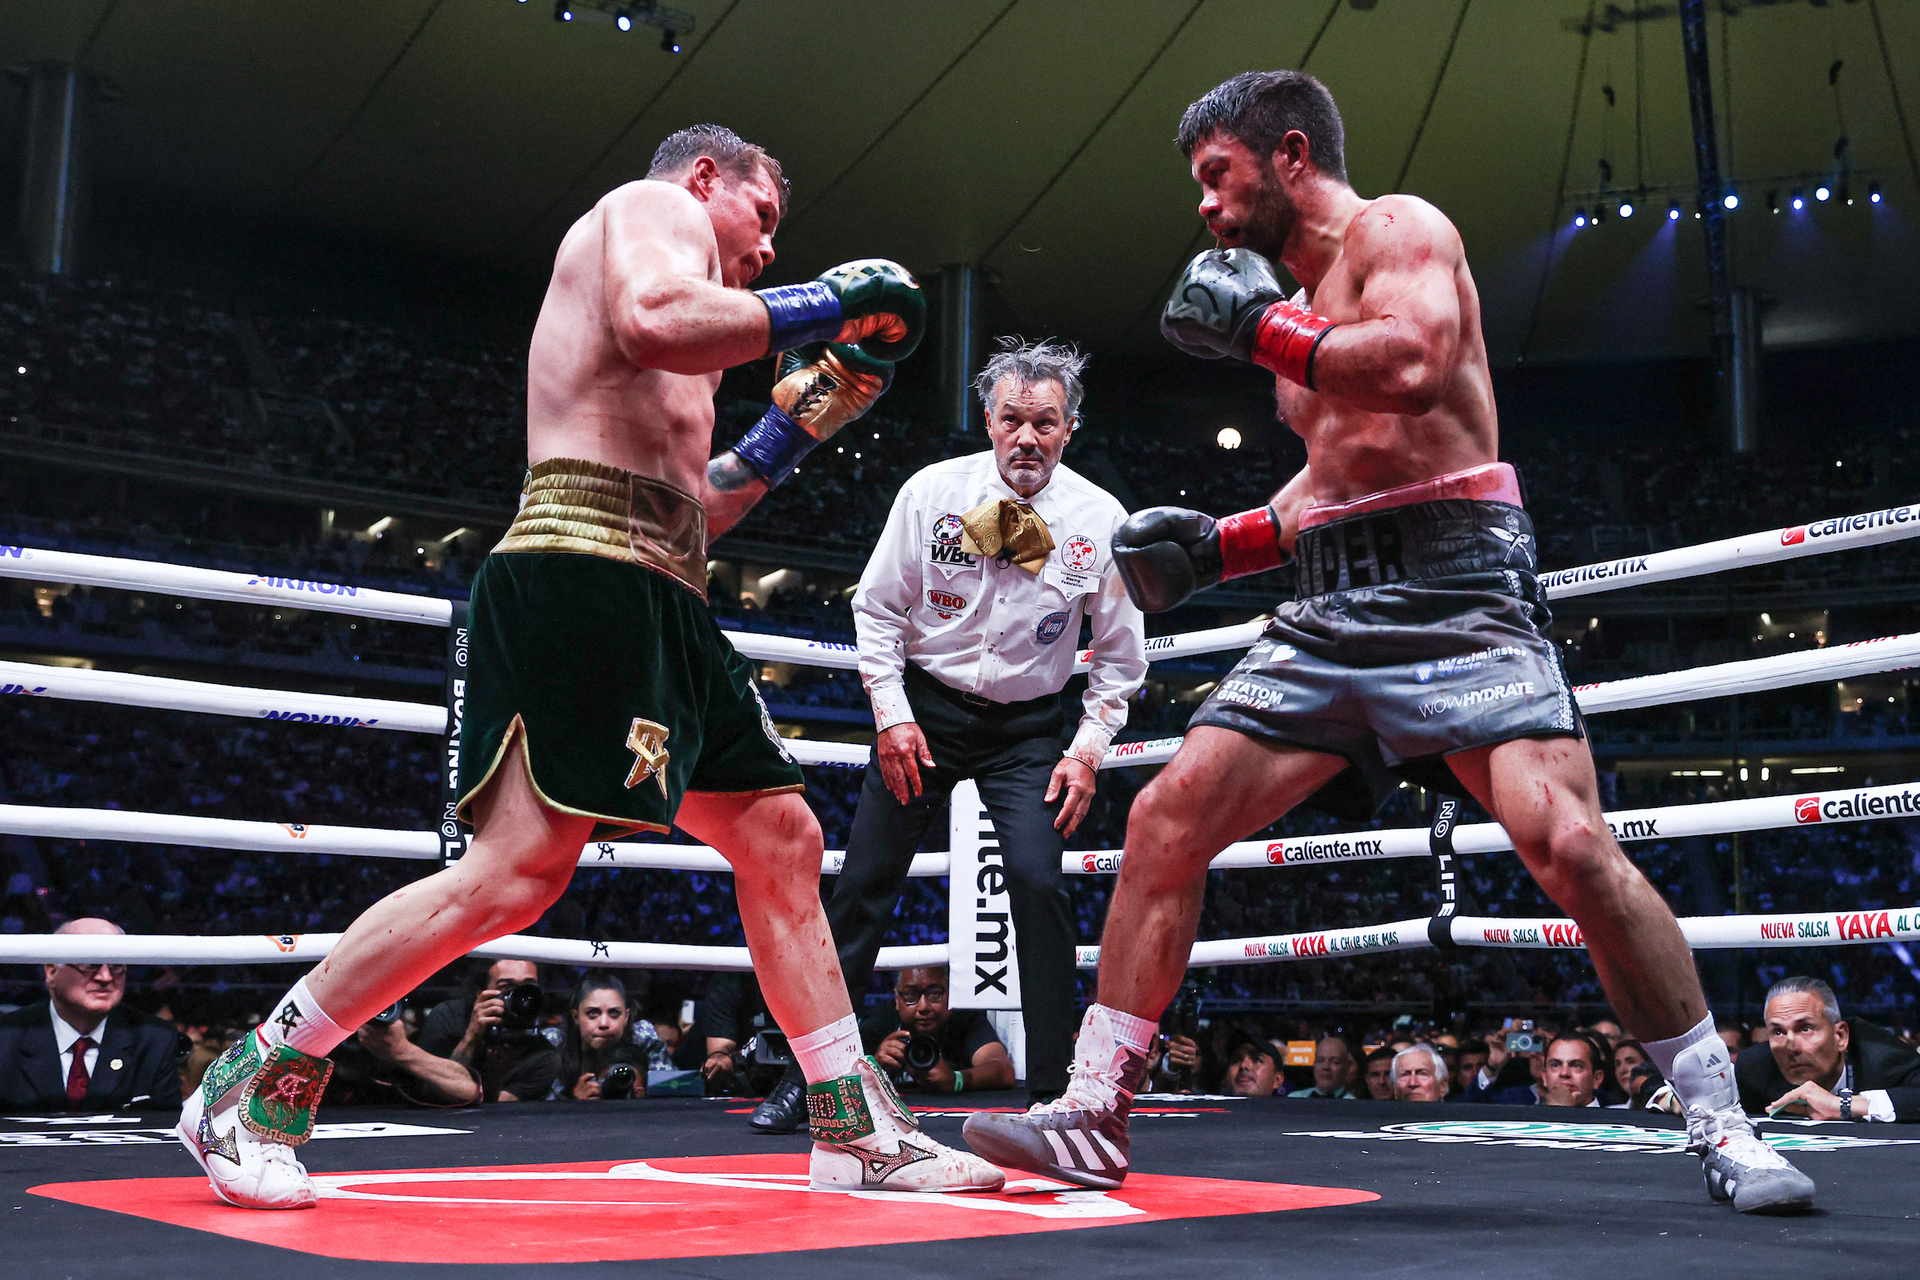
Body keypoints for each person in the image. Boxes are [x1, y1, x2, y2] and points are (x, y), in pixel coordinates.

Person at [962, 69, 1814, 1214]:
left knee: (1569, 843)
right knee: (1166, 817)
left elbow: (1411, 365)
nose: (1205, 208)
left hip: (1460, 589)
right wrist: (1223, 547)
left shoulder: (1400, 230)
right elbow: (1336, 477)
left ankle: (1724, 1123)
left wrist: (1260, 327)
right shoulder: (1305, 302)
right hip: (1330, 607)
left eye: (1218, 176)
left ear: (1290, 154)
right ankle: (1092, 1112)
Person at [177, 123, 1002, 1208]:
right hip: (580, 568)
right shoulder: (651, 211)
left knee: (782, 837)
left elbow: (693, 506)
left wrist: (797, 426)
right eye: (763, 218)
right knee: (518, 872)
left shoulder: (701, 317)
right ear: (706, 178)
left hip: (662, 588)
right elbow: (653, 319)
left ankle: (853, 1127)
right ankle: (252, 1078)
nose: (766, 250)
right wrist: (828, 303)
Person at [751, 339, 1147, 1131]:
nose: (1027, 437)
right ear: (989, 420)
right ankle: (812, 1079)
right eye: (1012, 420)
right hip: (925, 712)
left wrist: (1085, 751)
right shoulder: (933, 492)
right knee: (862, 886)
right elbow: (876, 608)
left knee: (1040, 886)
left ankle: (1053, 1093)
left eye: (1044, 423)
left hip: (1028, 729)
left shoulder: (1100, 519)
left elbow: (1120, 657)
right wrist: (892, 713)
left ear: (1069, 428)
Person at [0, 918, 182, 1111]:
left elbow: (166, 1124)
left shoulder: (154, 1040)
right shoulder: (6, 1037)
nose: (105, 977)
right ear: (52, 972)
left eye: (116, 965)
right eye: (89, 963)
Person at [1738, 976, 1920, 1122]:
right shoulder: (1755, 1069)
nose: (1791, 1047)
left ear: (1840, 1036)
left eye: (1805, 1029)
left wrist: (1843, 1105)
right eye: (1778, 1032)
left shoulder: (1884, 1058)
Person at [400, 960, 560, 1105]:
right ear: (481, 992)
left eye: (529, 987)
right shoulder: (450, 1016)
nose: (520, 996)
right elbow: (430, 1092)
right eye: (506, 987)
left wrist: (496, 1075)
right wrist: (471, 1037)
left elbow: (493, 1110)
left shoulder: (543, 1057)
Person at [859, 966, 1016, 1095]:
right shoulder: (880, 1020)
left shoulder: (964, 1018)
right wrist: (873, 1067)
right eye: (910, 994)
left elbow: (1003, 1071)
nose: (923, 1007)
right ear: (897, 998)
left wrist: (957, 1080)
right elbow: (848, 1074)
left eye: (934, 993)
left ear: (950, 994)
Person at [551, 972, 659, 1101]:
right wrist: (573, 1102)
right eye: (593, 1013)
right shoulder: (555, 1043)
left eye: (614, 1013)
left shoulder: (642, 1037)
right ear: (576, 1016)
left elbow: (670, 1089)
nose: (603, 1023)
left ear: (626, 1016)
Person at [1287, 1034, 1358, 1099]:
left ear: (1347, 1067)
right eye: (1320, 1060)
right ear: (1314, 1064)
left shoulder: (1354, 1105)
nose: (1326, 1067)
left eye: (1335, 1062)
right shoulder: (1294, 1098)